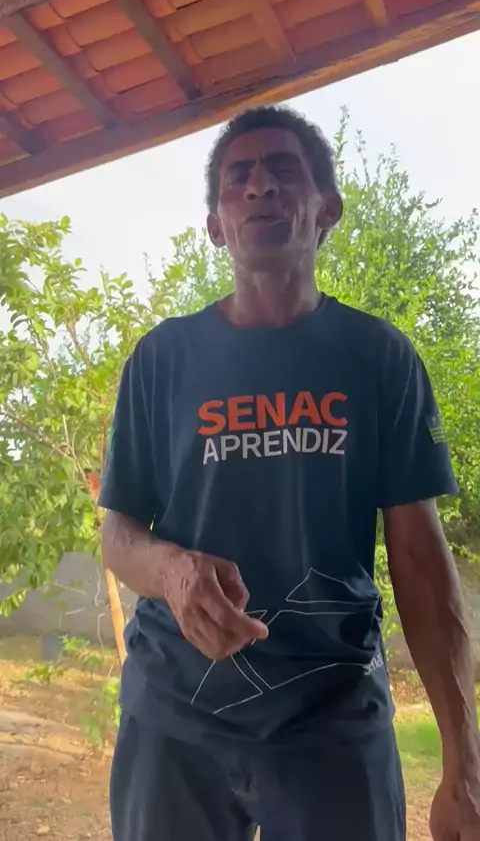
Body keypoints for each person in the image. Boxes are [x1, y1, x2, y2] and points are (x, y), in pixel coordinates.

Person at [99, 106, 480, 841]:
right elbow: (118, 536)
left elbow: (420, 562)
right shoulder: (162, 358)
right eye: (237, 176)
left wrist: (464, 764)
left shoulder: (379, 356)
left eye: (283, 168)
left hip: (331, 716)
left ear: (326, 208)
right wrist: (172, 572)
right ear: (215, 226)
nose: (259, 185)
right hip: (173, 716)